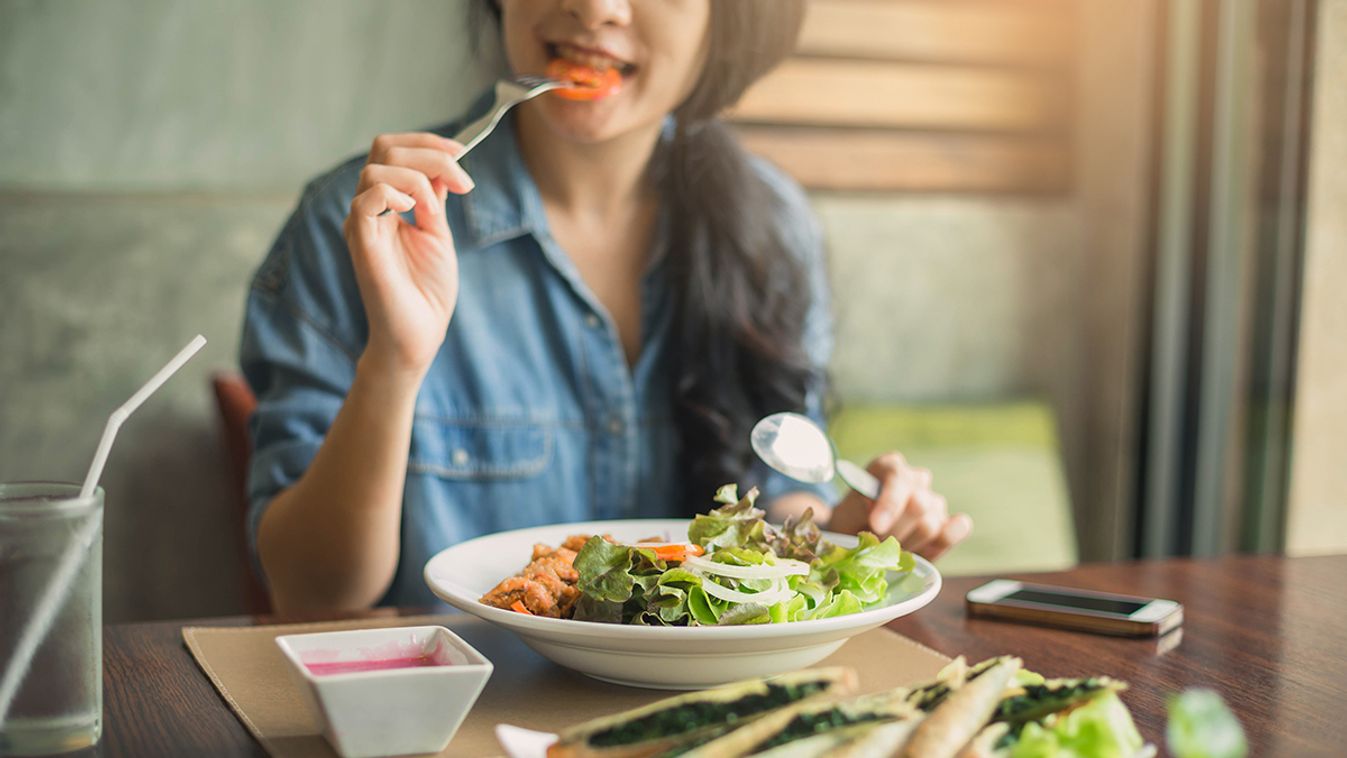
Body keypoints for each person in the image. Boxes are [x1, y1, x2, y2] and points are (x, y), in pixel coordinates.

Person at [240, 0, 972, 613]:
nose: (595, 8)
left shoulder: (770, 227)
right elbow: (309, 596)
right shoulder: (365, 221)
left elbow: (773, 510)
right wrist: (392, 366)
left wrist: (845, 534)